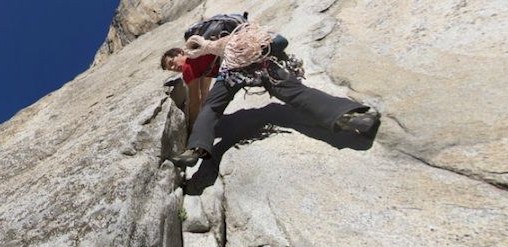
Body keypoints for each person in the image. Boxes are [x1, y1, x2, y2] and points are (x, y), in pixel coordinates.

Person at [160, 25, 380, 167]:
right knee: (296, 93)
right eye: (171, 69)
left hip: (234, 71)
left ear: (180, 52)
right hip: (261, 59)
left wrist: (191, 130)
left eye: (172, 63)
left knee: (211, 109)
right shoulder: (205, 54)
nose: (175, 68)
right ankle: (353, 119)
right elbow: (206, 89)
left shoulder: (190, 64)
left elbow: (200, 101)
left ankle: (195, 150)